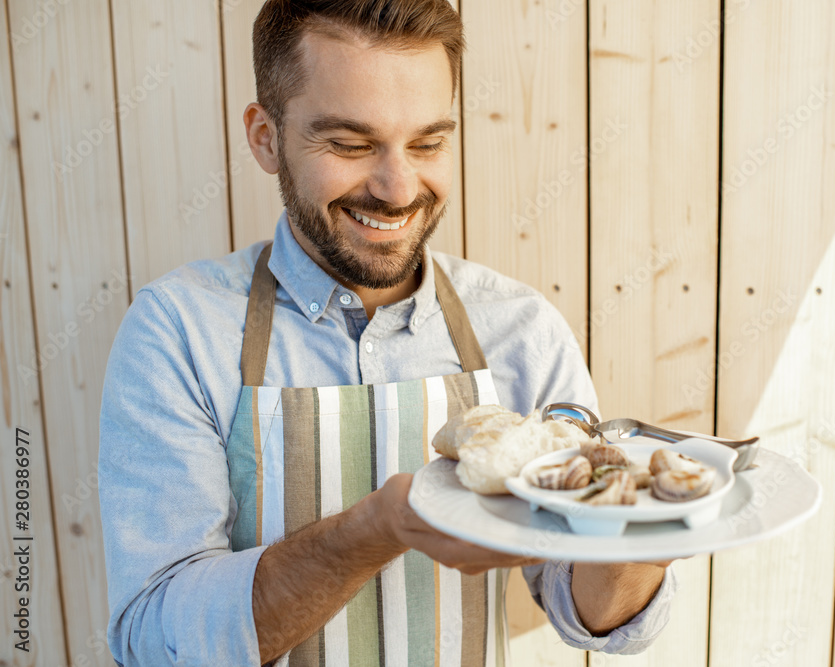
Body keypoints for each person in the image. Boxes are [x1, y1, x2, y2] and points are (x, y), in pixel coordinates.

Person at [98, 1, 677, 665]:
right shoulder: (179, 331)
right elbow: (151, 636)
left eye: (428, 143)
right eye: (348, 144)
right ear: (266, 137)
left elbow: (593, 612)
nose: (398, 188)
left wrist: (644, 528)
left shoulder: (520, 329)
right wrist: (372, 530)